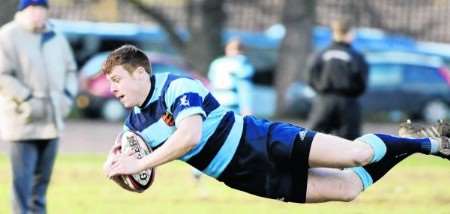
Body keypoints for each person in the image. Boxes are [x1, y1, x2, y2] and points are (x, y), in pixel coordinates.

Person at [103, 45, 450, 204]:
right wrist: (118, 168)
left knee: (357, 154)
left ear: (140, 73)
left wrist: (140, 162)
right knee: (348, 190)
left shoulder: (177, 86)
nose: (113, 88)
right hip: (244, 176)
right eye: (110, 83)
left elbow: (189, 137)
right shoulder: (134, 125)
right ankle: (406, 143)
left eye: (117, 79)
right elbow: (135, 174)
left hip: (260, 140)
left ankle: (431, 144)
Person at [0, 0, 78, 213]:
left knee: (41, 187)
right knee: (22, 186)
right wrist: (27, 100)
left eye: (42, 8)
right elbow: (3, 75)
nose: (38, 14)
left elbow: (71, 69)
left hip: (52, 120)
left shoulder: (56, 36)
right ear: (23, 11)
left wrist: (67, 97)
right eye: (32, 9)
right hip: (23, 122)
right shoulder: (8, 35)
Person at [305, 19, 368, 140]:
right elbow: (361, 82)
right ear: (350, 34)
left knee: (312, 139)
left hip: (324, 101)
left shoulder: (320, 54)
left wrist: (320, 89)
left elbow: (310, 76)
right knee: (349, 141)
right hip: (348, 102)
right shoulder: (355, 56)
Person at [207, 38, 254, 116]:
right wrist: (246, 109)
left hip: (215, 104)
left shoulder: (216, 63)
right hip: (233, 104)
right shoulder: (241, 63)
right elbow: (244, 88)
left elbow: (210, 84)